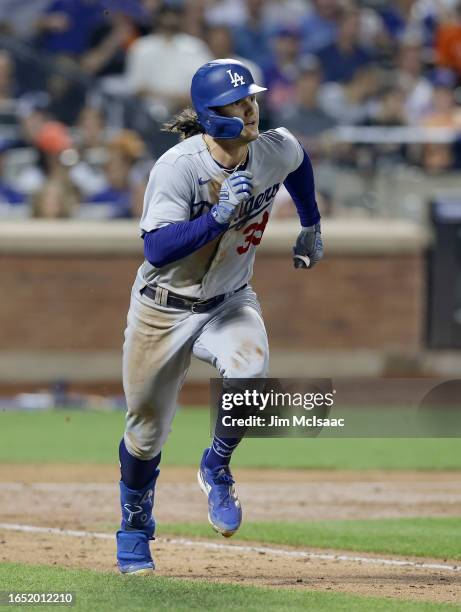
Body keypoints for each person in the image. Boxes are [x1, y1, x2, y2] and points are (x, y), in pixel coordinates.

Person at [115, 58, 323, 574]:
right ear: (211, 115)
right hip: (162, 309)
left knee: (251, 373)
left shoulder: (271, 148)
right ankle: (136, 526)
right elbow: (158, 248)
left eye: (251, 97)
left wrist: (311, 223)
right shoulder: (178, 166)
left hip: (229, 301)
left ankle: (217, 465)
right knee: (144, 433)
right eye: (237, 101)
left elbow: (297, 162)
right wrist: (215, 218)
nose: (250, 107)